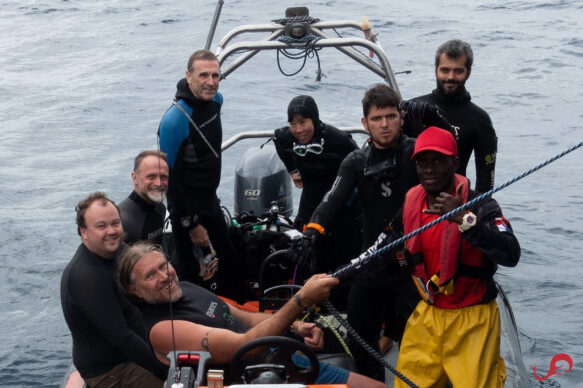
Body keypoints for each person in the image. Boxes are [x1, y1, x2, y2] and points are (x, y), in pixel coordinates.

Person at [117, 242, 387, 388]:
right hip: (256, 377)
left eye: (164, 266)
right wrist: (301, 300)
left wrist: (294, 326)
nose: (165, 277)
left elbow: (241, 316)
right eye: (150, 275)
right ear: (134, 289)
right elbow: (241, 347)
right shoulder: (161, 329)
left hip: (280, 357)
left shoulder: (185, 288)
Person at [298, 84, 430, 381]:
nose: (384, 124)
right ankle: (373, 383)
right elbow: (330, 200)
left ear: (401, 117)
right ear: (365, 123)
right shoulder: (356, 162)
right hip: (371, 263)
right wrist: (311, 233)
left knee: (419, 343)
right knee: (359, 334)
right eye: (377, 118)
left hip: (413, 265)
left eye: (390, 116)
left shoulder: (416, 154)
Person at [372, 126, 519, 387]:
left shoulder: (481, 205)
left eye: (438, 161)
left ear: (455, 163)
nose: (429, 169)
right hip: (428, 315)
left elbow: (510, 252)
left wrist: (465, 220)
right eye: (423, 162)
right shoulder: (411, 204)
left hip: (472, 318)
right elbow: (382, 246)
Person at [158, 49, 244, 301]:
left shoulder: (216, 101)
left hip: (210, 200)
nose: (211, 82)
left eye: (216, 75)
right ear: (188, 76)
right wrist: (192, 224)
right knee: (191, 275)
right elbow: (168, 179)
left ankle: (238, 322)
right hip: (185, 208)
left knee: (229, 262)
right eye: (203, 75)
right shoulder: (175, 119)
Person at [60, 192, 166, 387]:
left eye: (115, 223)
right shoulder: (85, 277)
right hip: (112, 371)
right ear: (84, 232)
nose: (111, 231)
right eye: (101, 226)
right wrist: (165, 371)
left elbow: (151, 282)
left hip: (136, 345)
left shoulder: (119, 250)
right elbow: (121, 337)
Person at [273, 95, 362, 278]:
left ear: (314, 119)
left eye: (303, 122)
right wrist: (293, 170)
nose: (298, 130)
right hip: (310, 201)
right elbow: (279, 140)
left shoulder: (338, 140)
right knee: (301, 253)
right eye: (293, 124)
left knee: (340, 260)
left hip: (340, 205)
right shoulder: (287, 136)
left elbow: (362, 163)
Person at [403, 39, 497, 193]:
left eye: (458, 71)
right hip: (412, 205)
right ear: (436, 70)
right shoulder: (414, 109)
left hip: (454, 206)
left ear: (469, 72)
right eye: (445, 70)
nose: (450, 77)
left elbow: (486, 182)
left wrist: (471, 215)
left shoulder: (480, 120)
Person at [118, 150, 169, 246]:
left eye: (163, 177)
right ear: (134, 178)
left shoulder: (160, 207)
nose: (159, 183)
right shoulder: (122, 222)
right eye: (151, 177)